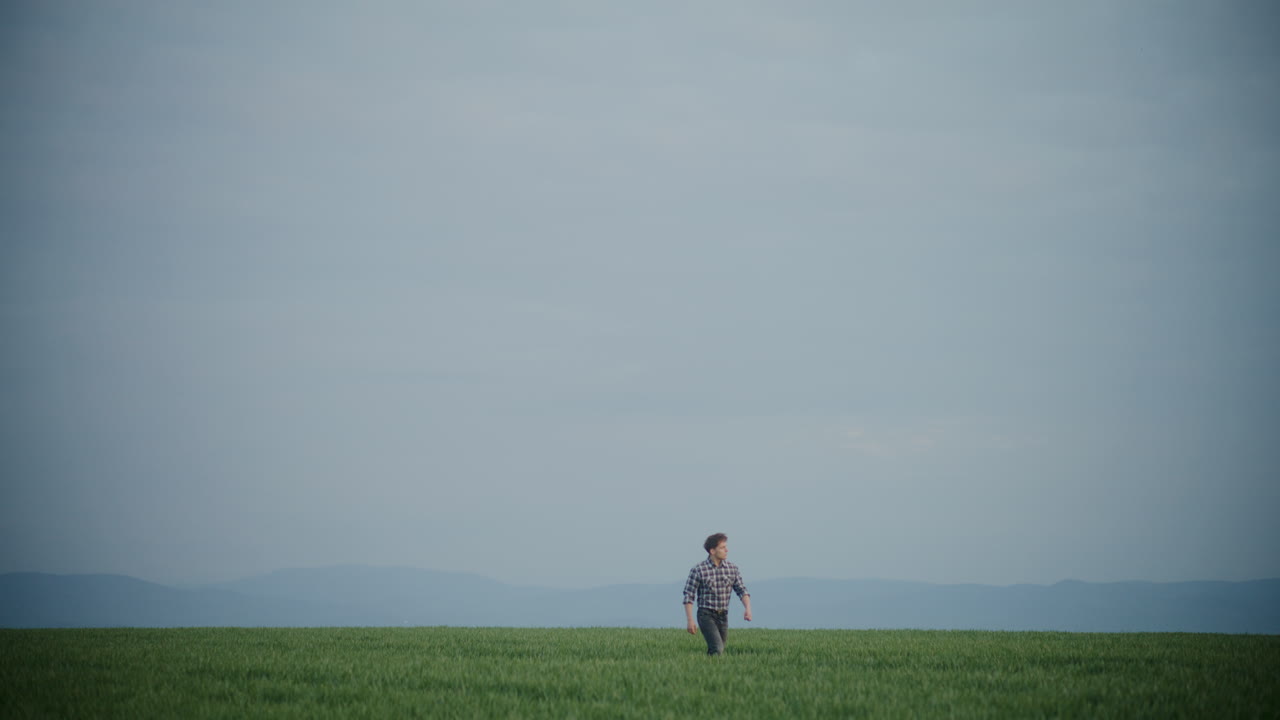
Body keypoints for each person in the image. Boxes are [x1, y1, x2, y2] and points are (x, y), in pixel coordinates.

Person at [683, 532, 751, 655]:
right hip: (706, 614)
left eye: (726, 547)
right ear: (712, 551)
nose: (727, 550)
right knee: (717, 648)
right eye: (722, 547)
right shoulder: (698, 570)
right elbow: (689, 596)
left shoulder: (732, 569)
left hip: (723, 615)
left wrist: (748, 608)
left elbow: (742, 590)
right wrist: (690, 620)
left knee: (717, 650)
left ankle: (706, 672)